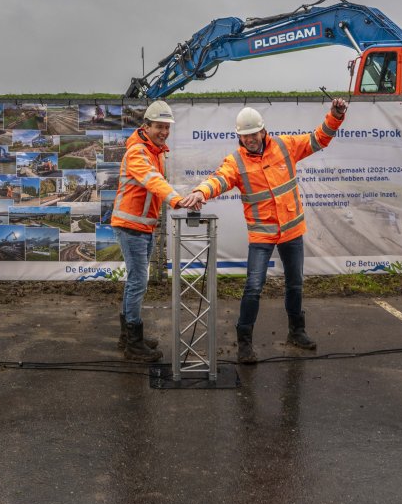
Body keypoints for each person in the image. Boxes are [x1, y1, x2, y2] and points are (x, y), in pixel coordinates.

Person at [179, 99, 348, 363]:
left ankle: (297, 331)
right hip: (262, 235)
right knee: (253, 287)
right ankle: (245, 343)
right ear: (239, 137)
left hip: (291, 231)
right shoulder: (235, 162)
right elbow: (219, 179)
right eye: (244, 136)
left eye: (254, 134)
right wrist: (202, 191)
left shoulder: (285, 146)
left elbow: (318, 140)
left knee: (295, 284)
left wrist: (335, 116)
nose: (250, 140)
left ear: (263, 131)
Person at [111, 100, 185, 362]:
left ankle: (129, 337)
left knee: (135, 282)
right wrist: (176, 200)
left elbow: (156, 183)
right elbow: (153, 181)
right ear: (146, 126)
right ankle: (133, 343)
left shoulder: (156, 150)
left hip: (143, 226)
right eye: (159, 127)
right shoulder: (138, 152)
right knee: (138, 282)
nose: (164, 131)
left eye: (167, 127)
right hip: (131, 227)